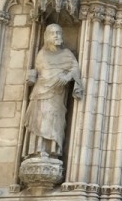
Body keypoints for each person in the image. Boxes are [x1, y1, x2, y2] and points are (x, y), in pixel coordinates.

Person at [24, 24, 84, 158]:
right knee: (39, 120)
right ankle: (38, 150)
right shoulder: (41, 54)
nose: (57, 36)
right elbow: (38, 73)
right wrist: (31, 78)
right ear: (46, 36)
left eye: (59, 33)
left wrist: (67, 76)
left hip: (57, 94)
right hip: (40, 93)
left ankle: (53, 151)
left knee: (54, 120)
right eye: (53, 33)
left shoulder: (67, 54)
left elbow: (75, 69)